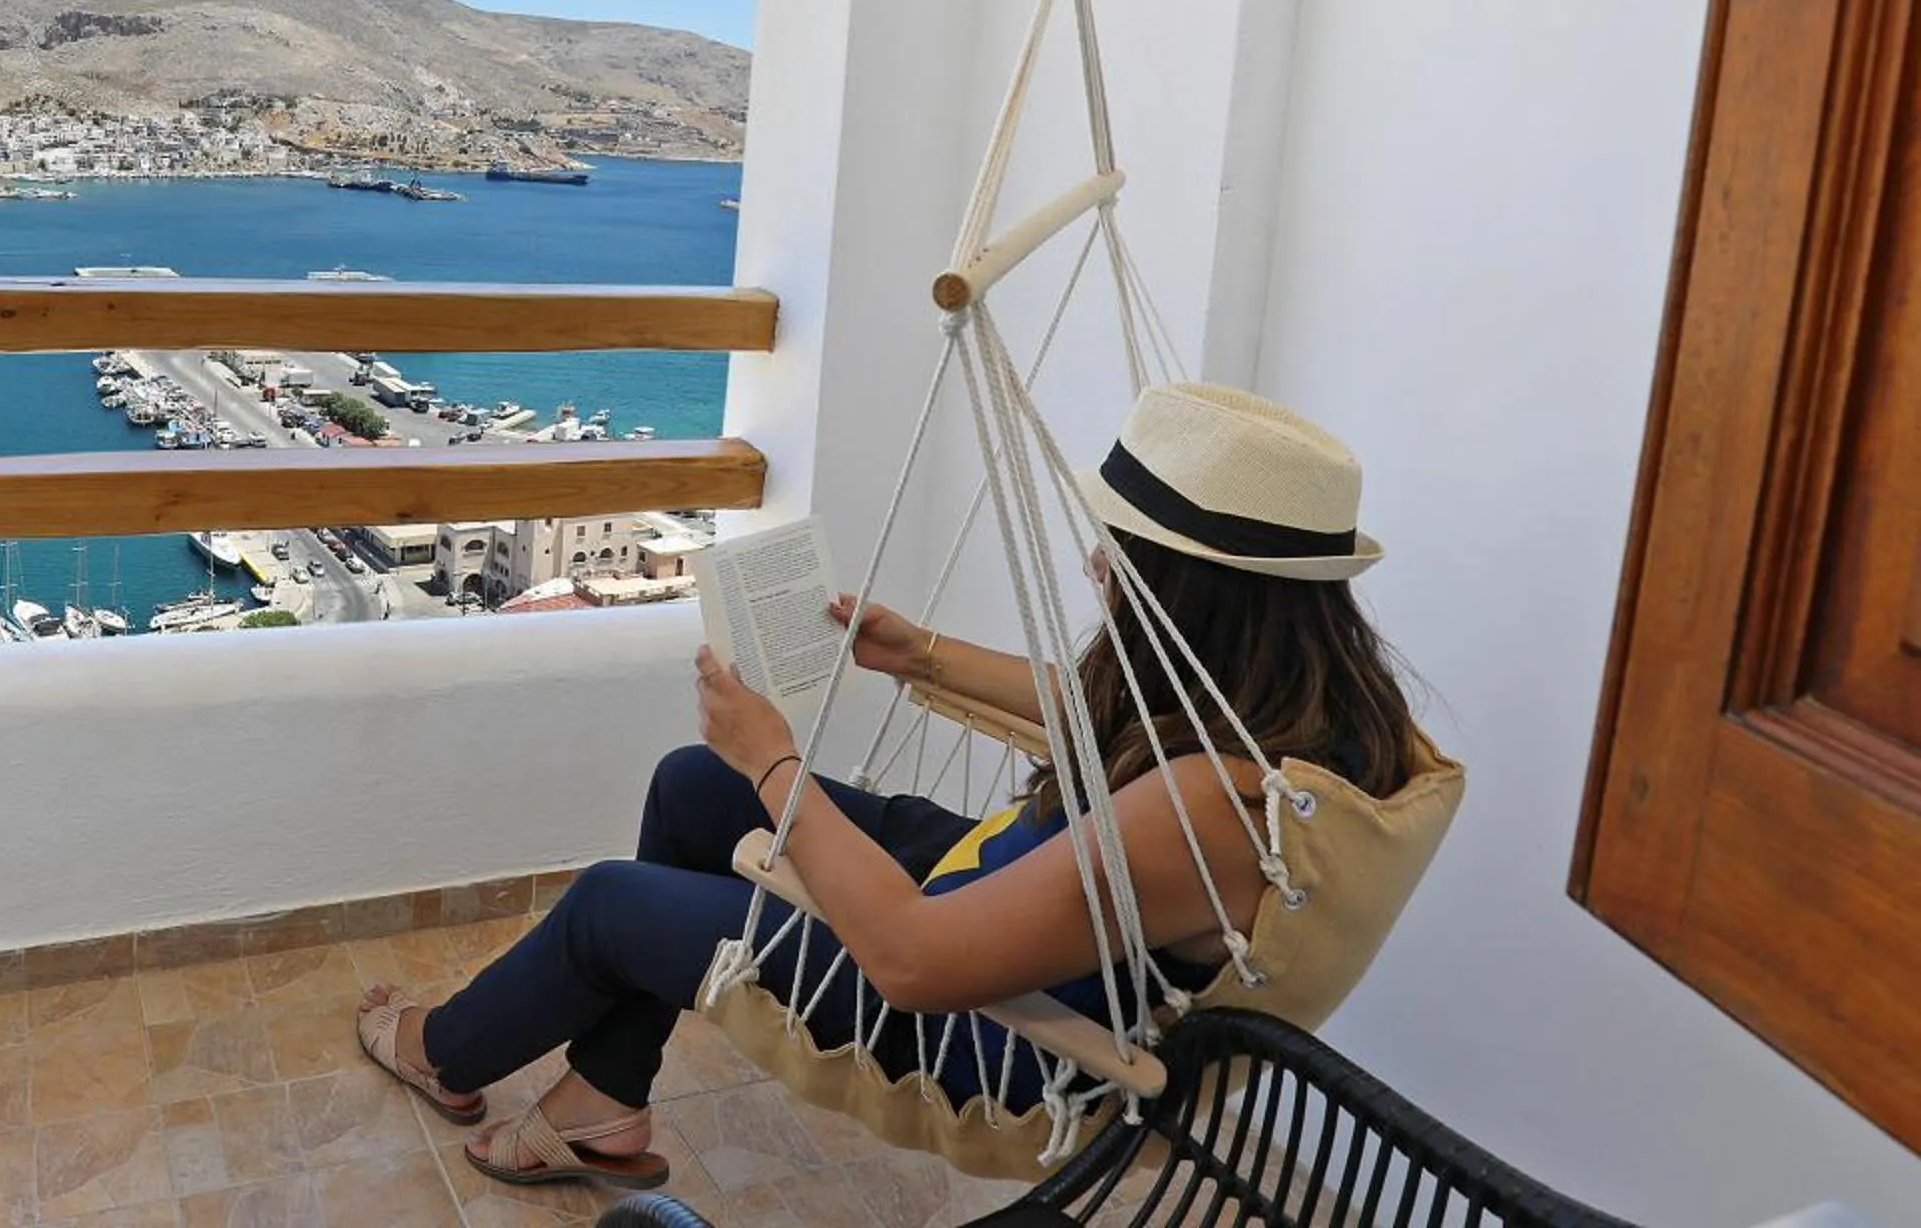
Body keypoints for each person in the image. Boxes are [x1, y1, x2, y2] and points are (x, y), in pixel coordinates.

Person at [350, 383, 1425, 1189]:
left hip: (996, 1028)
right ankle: (604, 1100)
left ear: (1190, 590)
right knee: (691, 787)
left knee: (612, 901)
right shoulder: (1316, 712)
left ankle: (443, 1048)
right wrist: (925, 654)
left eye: (1119, 552)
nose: (1095, 568)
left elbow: (912, 960)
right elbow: (1099, 714)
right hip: (1030, 895)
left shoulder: (1204, 810)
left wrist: (772, 756)